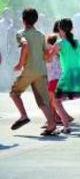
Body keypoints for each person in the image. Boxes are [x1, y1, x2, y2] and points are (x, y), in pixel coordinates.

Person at [9, 7, 56, 135]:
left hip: (29, 71)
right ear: (36, 20)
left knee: (14, 93)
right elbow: (46, 55)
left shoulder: (21, 33)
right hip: (41, 71)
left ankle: (23, 115)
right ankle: (51, 124)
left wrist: (20, 63)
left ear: (23, 20)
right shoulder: (41, 35)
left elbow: (25, 45)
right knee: (42, 101)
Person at [45, 31, 73, 126]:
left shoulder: (50, 54)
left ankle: (56, 119)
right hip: (60, 80)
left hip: (53, 80)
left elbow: (47, 60)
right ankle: (61, 118)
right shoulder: (59, 54)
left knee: (52, 102)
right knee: (55, 102)